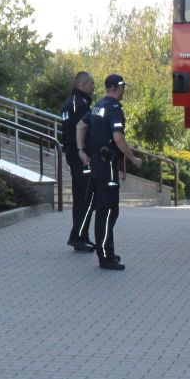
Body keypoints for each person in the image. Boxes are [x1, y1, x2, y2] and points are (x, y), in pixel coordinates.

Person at [76, 74, 141, 271]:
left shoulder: (98, 105)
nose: (124, 91)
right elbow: (118, 138)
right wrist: (133, 159)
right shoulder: (113, 108)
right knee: (108, 211)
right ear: (118, 88)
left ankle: (106, 252)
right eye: (123, 88)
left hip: (97, 165)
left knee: (104, 210)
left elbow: (81, 125)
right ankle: (106, 256)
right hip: (108, 166)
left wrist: (81, 151)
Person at [61, 71, 96, 251]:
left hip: (74, 156)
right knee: (86, 198)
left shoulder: (69, 103)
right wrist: (86, 151)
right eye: (92, 84)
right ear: (83, 85)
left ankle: (81, 237)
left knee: (81, 198)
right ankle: (78, 236)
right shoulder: (80, 105)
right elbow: (83, 130)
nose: (94, 87)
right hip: (82, 157)